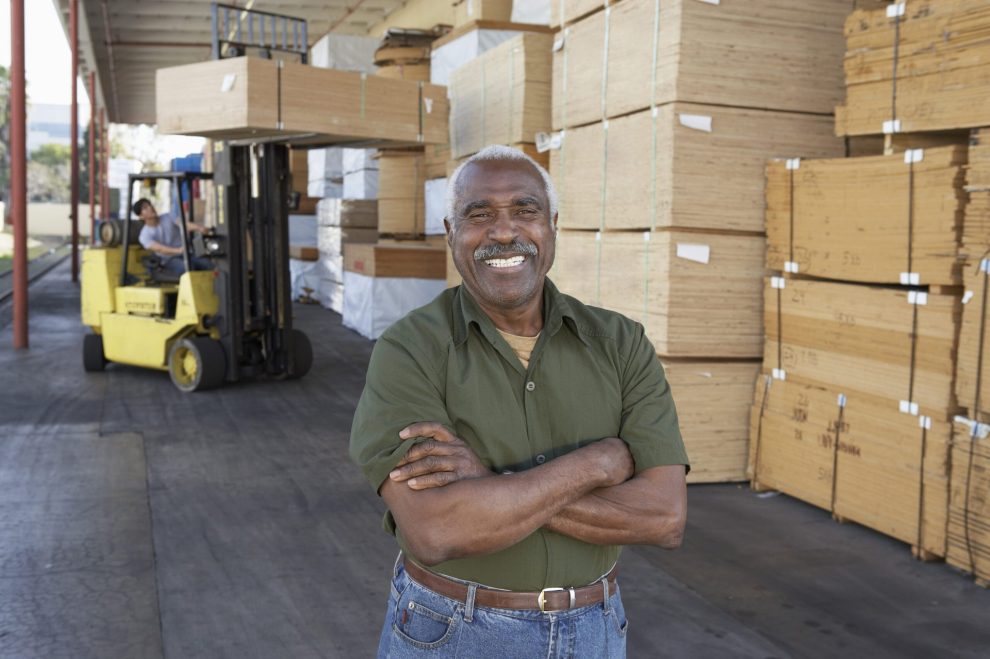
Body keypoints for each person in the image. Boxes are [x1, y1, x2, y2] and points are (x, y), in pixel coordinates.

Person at [350, 145, 689, 658]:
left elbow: (663, 518)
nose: (504, 232)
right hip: (453, 631)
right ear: (450, 233)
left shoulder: (621, 343)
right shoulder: (409, 350)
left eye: (524, 211)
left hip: (595, 630)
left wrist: (488, 487)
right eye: (479, 214)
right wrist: (598, 462)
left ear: (552, 226)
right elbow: (436, 530)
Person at [134, 198, 212, 275]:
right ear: (141, 216)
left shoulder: (168, 216)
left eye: (150, 205)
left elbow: (184, 224)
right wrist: (179, 250)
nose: (150, 207)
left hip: (187, 252)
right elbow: (161, 249)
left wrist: (199, 228)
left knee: (208, 263)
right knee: (187, 268)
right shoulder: (144, 236)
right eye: (145, 208)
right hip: (169, 259)